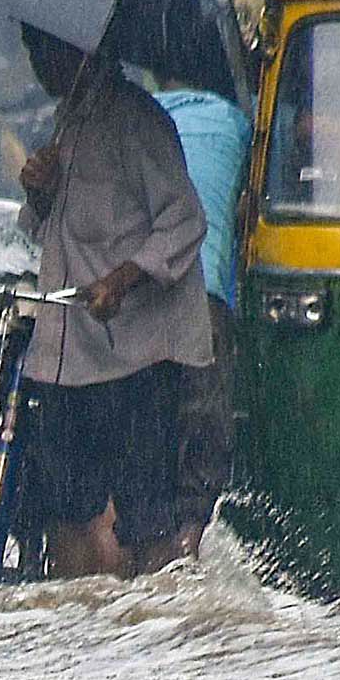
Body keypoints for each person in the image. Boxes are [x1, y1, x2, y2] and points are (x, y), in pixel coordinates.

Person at [10, 25, 211, 577]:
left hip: (139, 356)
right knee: (66, 509)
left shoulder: (137, 120)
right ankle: (81, 622)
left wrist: (121, 280)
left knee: (146, 519)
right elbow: (49, 230)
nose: (39, 66)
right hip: (71, 355)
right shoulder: (66, 123)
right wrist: (39, 192)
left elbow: (185, 220)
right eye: (32, 53)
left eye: (47, 51)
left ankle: (148, 623)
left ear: (80, 50)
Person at [148, 71, 250, 550]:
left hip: (136, 288)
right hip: (206, 290)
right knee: (206, 418)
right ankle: (191, 539)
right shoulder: (238, 123)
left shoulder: (139, 116)